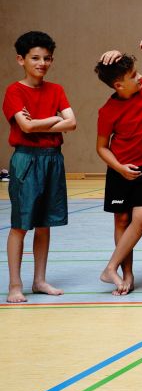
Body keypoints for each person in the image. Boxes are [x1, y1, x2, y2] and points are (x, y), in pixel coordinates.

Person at [5, 31, 75, 303]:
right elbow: (25, 127)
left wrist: (38, 122)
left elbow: (71, 122)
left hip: (53, 158)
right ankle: (14, 284)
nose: (41, 63)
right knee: (20, 225)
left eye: (46, 58)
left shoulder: (56, 89)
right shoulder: (14, 90)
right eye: (35, 58)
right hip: (26, 159)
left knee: (45, 225)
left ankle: (39, 280)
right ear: (21, 60)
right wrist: (52, 119)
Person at [94, 53, 142, 296]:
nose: (140, 76)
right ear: (118, 85)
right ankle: (127, 274)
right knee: (122, 221)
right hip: (120, 170)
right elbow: (101, 147)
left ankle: (109, 267)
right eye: (134, 75)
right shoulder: (108, 111)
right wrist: (120, 168)